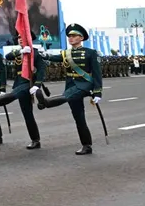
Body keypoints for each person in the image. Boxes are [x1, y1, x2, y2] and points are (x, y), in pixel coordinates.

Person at [35, 23, 103, 155]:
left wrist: (98, 91)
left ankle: (46, 102)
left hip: (84, 85)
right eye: (69, 36)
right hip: (71, 84)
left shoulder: (91, 53)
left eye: (73, 36)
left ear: (81, 37)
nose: (70, 38)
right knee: (79, 117)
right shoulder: (67, 53)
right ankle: (86, 145)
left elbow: (97, 73)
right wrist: (42, 54)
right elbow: (54, 58)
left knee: (67, 96)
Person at [0, 31, 44, 150]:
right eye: (19, 38)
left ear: (29, 39)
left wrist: (37, 85)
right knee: (27, 114)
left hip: (28, 84)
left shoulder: (35, 53)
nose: (20, 39)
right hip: (18, 83)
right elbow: (7, 56)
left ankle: (0, 100)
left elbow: (41, 70)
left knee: (16, 97)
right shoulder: (18, 53)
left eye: (23, 37)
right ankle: (35, 140)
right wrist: (21, 51)